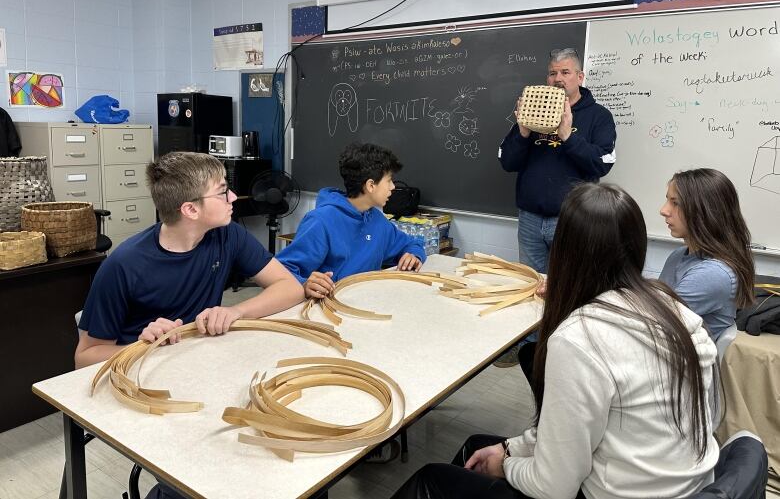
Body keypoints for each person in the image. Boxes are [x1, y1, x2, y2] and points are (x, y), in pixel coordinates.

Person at [391, 183, 720, 499]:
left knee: (429, 480)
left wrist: (505, 466)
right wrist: (510, 449)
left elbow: (554, 489)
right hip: (692, 486)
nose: (666, 209)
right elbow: (712, 414)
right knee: (479, 445)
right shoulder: (670, 306)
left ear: (565, 252)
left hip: (615, 491)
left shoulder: (579, 339)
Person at [75, 151, 305, 369]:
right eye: (222, 191)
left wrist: (236, 311)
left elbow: (290, 288)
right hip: (140, 375)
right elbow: (84, 358)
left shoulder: (227, 235)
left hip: (192, 361)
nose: (233, 197)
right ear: (191, 210)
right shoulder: (123, 265)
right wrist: (143, 347)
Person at [498, 48, 617, 274]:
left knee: (569, 286)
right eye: (553, 73)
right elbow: (507, 162)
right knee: (531, 287)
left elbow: (603, 163)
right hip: (530, 220)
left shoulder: (599, 116)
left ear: (579, 77)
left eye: (565, 72)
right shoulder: (534, 110)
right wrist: (523, 132)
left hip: (573, 221)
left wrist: (568, 137)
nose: (558, 79)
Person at [277, 142, 426, 300]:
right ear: (370, 185)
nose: (393, 187)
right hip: (327, 311)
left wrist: (414, 256)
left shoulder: (377, 221)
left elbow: (411, 244)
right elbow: (281, 271)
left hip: (365, 305)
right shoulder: (321, 221)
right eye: (389, 180)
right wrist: (304, 284)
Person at [659, 168, 755, 341]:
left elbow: (655, 322)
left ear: (705, 211)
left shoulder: (714, 273)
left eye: (676, 203)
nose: (664, 210)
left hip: (678, 363)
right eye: (667, 200)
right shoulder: (678, 255)